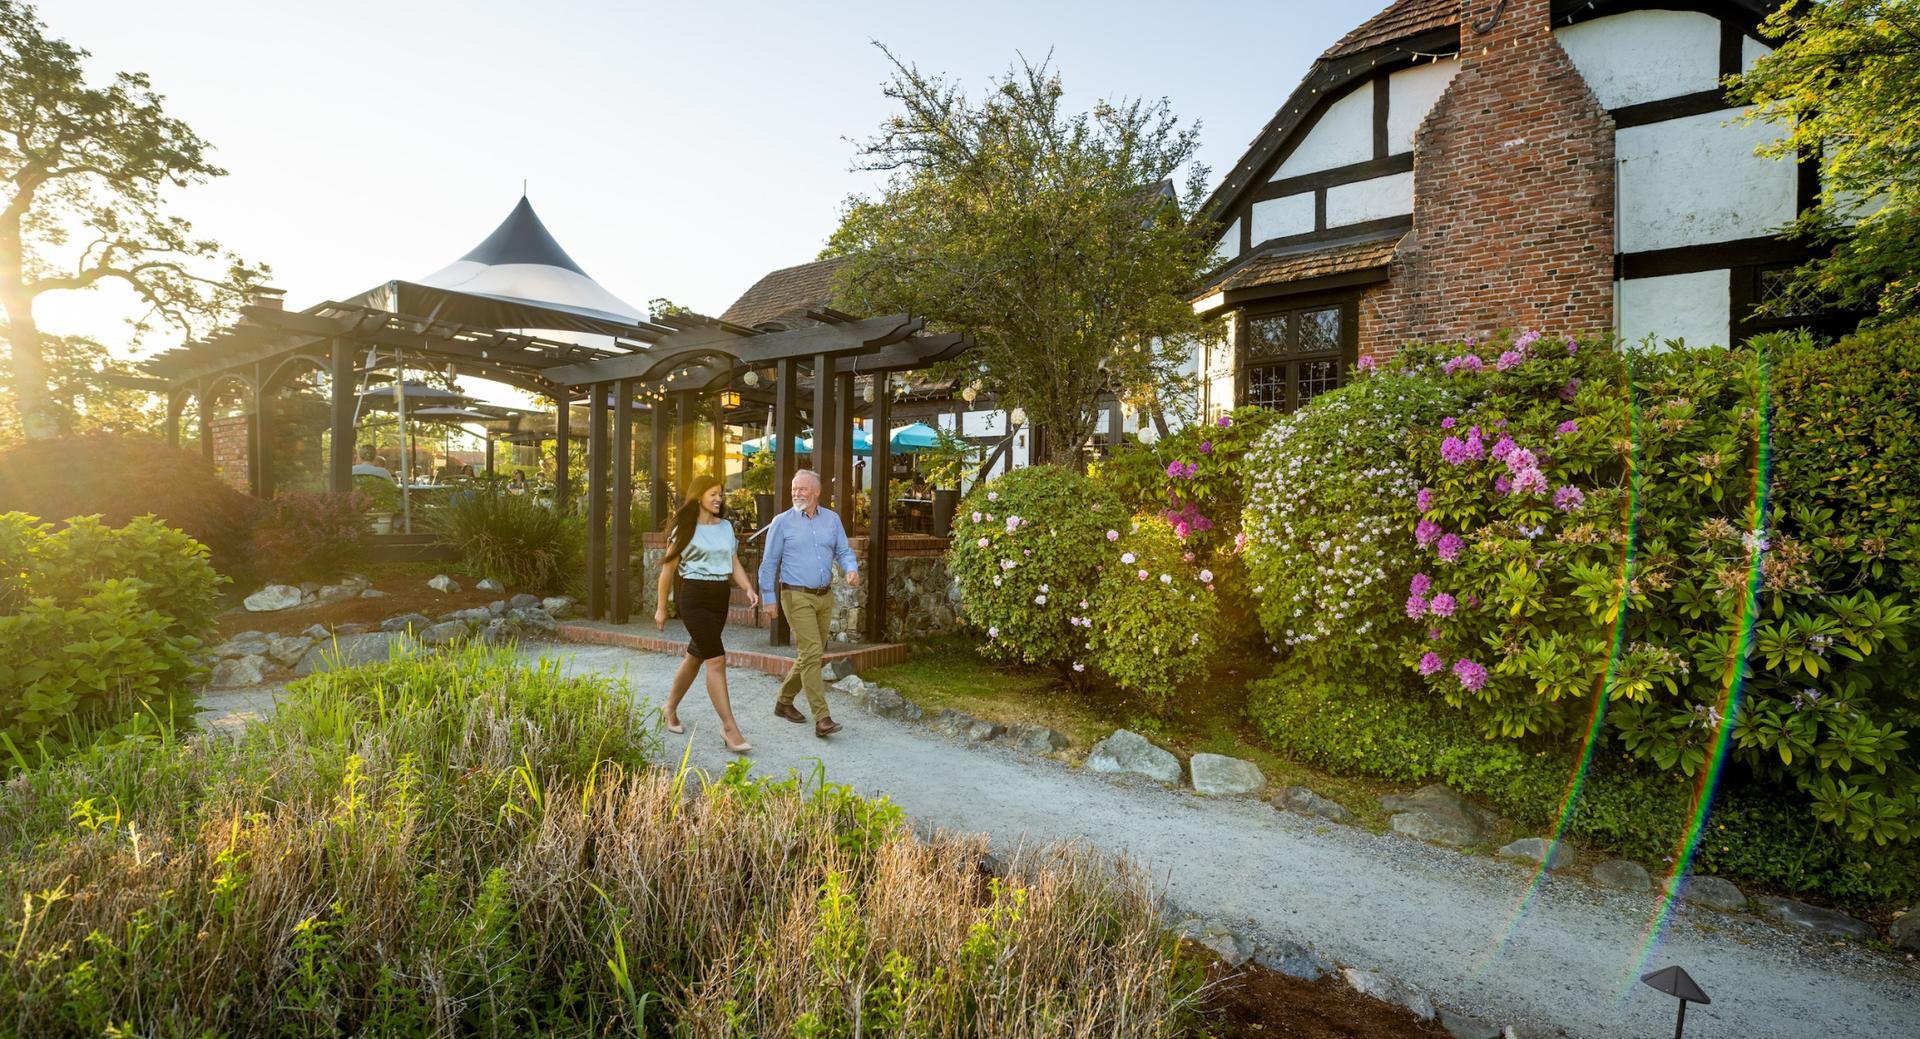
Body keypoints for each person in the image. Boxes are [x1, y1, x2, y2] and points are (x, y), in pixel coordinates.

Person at [656, 474, 761, 753]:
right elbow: (667, 570)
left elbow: (733, 562)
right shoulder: (685, 528)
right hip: (694, 597)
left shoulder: (726, 527)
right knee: (716, 659)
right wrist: (661, 608)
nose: (719, 498)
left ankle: (669, 707)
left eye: (721, 494)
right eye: (713, 493)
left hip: (719, 597)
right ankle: (729, 727)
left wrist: (748, 588)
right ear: (699, 495)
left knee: (695, 656)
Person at [758, 469, 859, 738]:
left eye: (802, 489)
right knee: (813, 650)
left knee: (809, 654)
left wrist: (851, 568)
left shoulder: (832, 520)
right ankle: (822, 717)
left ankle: (784, 701)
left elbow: (843, 550)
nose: (796, 493)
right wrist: (769, 598)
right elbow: (769, 563)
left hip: (824, 595)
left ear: (816, 492)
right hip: (795, 594)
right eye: (794, 489)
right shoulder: (782, 522)